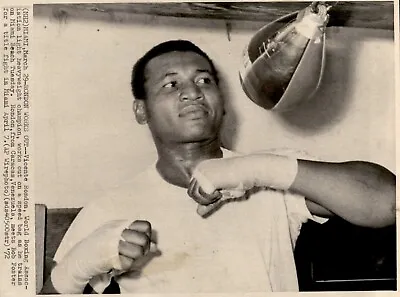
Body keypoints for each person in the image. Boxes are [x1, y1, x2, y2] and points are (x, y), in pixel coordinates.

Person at [41, 40, 395, 294]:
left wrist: (258, 171)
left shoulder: (270, 172)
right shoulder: (110, 207)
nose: (192, 92)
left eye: (204, 80)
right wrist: (80, 265)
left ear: (222, 103)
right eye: (171, 84)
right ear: (141, 110)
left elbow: (388, 202)